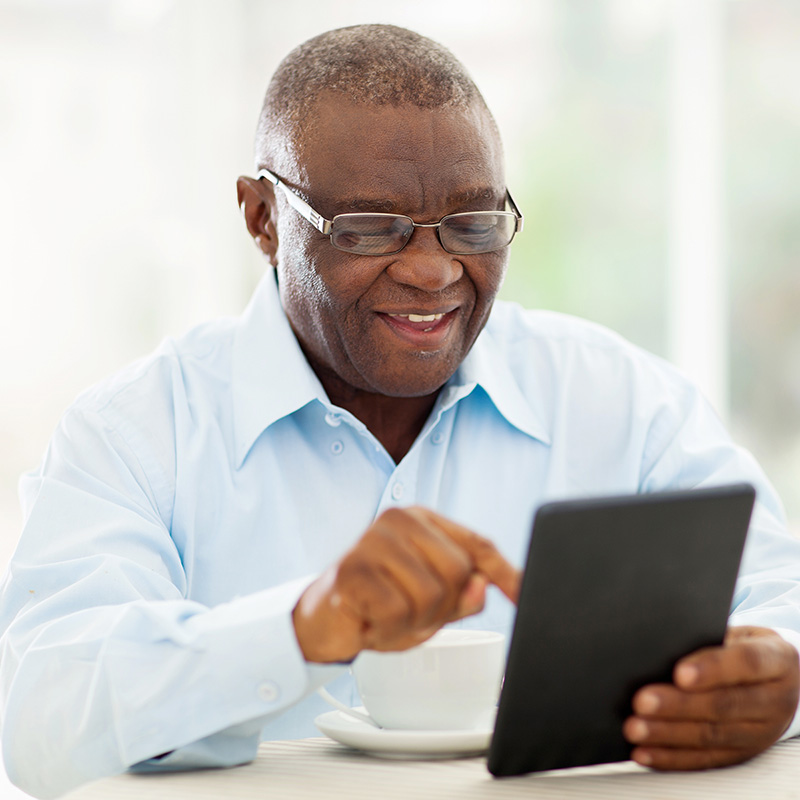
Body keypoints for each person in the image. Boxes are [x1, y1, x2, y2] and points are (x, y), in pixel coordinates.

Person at [1, 23, 799, 799]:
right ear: (262, 219)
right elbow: (41, 717)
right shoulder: (136, 433)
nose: (432, 269)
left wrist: (779, 676)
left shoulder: (621, 401)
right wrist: (301, 626)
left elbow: (779, 593)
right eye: (372, 228)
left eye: (474, 222)